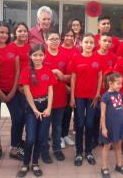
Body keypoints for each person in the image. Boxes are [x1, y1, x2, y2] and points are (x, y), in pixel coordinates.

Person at [17, 44, 56, 177]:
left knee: (41, 138)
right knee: (31, 138)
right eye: (35, 55)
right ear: (30, 56)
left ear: (44, 56)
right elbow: (27, 92)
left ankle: (35, 163)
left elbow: (51, 90)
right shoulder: (26, 71)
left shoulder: (48, 70)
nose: (38, 57)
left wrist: (49, 108)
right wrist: (34, 110)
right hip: (31, 107)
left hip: (45, 107)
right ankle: (25, 163)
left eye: (40, 55)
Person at [69, 33, 102, 166]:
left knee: (89, 124)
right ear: (81, 44)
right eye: (86, 42)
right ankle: (78, 152)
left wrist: (98, 94)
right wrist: (72, 97)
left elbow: (100, 76)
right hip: (79, 96)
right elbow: (72, 78)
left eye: (91, 43)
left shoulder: (97, 58)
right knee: (80, 124)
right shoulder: (76, 58)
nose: (89, 45)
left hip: (92, 97)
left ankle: (88, 151)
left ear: (94, 45)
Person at [0, 21, 25, 161]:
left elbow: (17, 70)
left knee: (18, 117)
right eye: (1, 32)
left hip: (12, 88)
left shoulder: (13, 48)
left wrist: (12, 91)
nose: (4, 35)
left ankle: (14, 147)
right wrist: (0, 93)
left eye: (6, 32)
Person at [43, 29, 70, 162]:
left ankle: (57, 149)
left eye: (57, 39)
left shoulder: (65, 56)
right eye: (51, 39)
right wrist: (52, 71)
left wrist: (62, 76)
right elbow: (36, 75)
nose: (54, 41)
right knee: (45, 125)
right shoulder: (41, 55)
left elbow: (69, 77)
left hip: (60, 96)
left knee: (57, 126)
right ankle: (44, 150)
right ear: (46, 41)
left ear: (60, 41)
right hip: (44, 98)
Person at [100, 71, 123, 178]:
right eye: (118, 83)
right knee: (106, 146)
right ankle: (104, 167)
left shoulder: (119, 94)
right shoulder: (105, 96)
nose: (120, 86)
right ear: (110, 83)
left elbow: (120, 106)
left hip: (120, 124)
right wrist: (104, 127)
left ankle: (119, 165)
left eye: (121, 83)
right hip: (109, 126)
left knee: (118, 145)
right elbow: (102, 114)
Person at [9, 22, 31, 155]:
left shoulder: (29, 47)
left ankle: (18, 141)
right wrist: (17, 86)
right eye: (20, 31)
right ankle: (14, 147)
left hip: (27, 87)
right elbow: (9, 70)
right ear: (15, 33)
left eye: (25, 31)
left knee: (23, 116)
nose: (23, 33)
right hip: (15, 87)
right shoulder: (10, 47)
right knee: (17, 117)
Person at [92, 32, 117, 149]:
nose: (107, 43)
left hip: (109, 93)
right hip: (96, 91)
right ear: (99, 42)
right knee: (95, 116)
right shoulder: (92, 55)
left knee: (107, 116)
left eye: (109, 41)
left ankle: (105, 138)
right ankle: (94, 138)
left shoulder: (113, 57)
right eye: (104, 40)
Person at [59, 28, 79, 148]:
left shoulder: (77, 50)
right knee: (60, 112)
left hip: (74, 87)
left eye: (71, 36)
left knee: (69, 111)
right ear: (62, 37)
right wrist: (65, 86)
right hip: (61, 86)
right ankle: (59, 136)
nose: (69, 38)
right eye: (67, 35)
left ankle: (65, 134)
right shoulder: (58, 49)